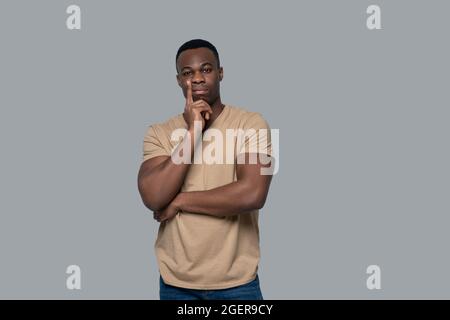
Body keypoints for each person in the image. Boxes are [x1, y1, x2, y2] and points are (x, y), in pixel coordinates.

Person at [138, 39, 274, 300]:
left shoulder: (251, 123)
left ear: (221, 73)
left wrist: (179, 201)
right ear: (179, 80)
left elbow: (253, 194)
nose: (197, 78)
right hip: (176, 284)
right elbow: (153, 197)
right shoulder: (159, 132)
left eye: (206, 69)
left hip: (238, 284)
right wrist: (193, 131)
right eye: (188, 73)